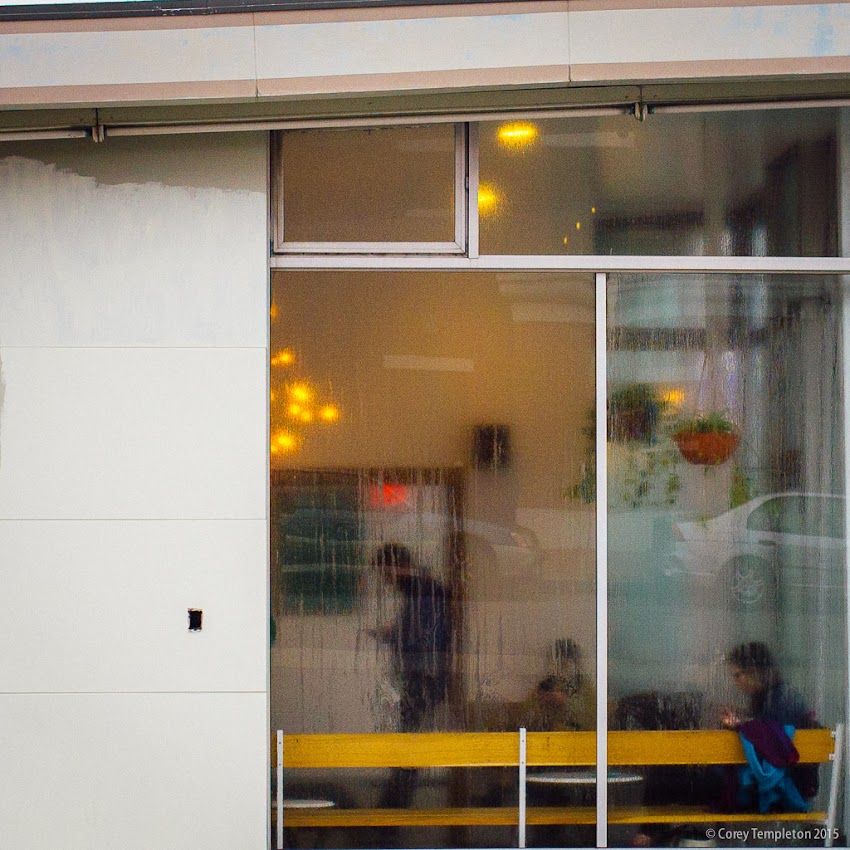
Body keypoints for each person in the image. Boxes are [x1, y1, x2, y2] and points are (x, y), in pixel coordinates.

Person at [373, 542, 453, 807]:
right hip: (423, 677)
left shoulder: (425, 591)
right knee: (409, 736)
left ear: (398, 568)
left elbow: (428, 638)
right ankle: (394, 803)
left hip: (424, 678)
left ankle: (393, 806)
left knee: (409, 738)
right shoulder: (423, 590)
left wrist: (393, 635)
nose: (386, 582)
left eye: (386, 575)